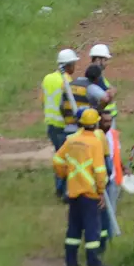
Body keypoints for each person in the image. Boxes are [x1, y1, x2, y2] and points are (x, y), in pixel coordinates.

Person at [52, 108, 108, 266]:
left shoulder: (71, 140)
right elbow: (99, 170)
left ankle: (71, 263)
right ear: (96, 123)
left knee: (73, 229)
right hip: (90, 193)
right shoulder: (95, 142)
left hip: (73, 192)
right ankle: (93, 265)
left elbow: (57, 160)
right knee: (92, 230)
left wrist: (64, 174)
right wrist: (101, 191)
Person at [43, 49, 80, 197]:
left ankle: (59, 188)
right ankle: (65, 191)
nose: (75, 67)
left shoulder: (47, 78)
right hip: (63, 126)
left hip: (50, 124)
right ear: (68, 65)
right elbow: (67, 105)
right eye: (74, 64)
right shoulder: (67, 82)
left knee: (58, 156)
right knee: (67, 159)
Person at [97, 111, 123, 253]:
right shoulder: (95, 137)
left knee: (111, 208)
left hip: (112, 177)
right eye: (105, 121)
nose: (107, 124)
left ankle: (110, 238)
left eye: (109, 121)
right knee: (101, 211)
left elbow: (116, 153)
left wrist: (123, 168)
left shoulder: (113, 134)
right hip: (100, 179)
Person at [61, 66, 110, 137]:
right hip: (82, 130)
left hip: (67, 128)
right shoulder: (91, 87)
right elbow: (106, 98)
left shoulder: (70, 84)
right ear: (97, 78)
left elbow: (61, 106)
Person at [88, 44, 118, 121]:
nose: (107, 63)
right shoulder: (95, 76)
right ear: (98, 60)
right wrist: (112, 92)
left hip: (107, 116)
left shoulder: (99, 75)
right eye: (105, 60)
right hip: (103, 118)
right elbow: (106, 95)